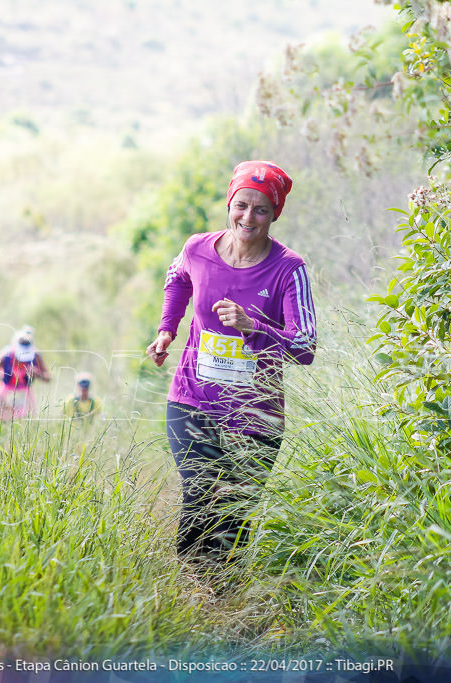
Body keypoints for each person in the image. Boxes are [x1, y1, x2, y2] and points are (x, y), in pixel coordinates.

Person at [146, 160, 316, 565]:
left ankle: (224, 596)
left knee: (234, 514)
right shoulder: (197, 248)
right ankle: (190, 586)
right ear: (229, 203)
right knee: (200, 492)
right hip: (193, 400)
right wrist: (167, 328)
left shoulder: (289, 269)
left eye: (261, 209)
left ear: (275, 213)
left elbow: (305, 347)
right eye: (241, 205)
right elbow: (177, 276)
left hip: (257, 415)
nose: (248, 217)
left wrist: (252, 326)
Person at [0, 327, 50, 420]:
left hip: (26, 395)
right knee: (3, 424)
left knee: (26, 425)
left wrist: (38, 374)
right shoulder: (5, 356)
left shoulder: (35, 355)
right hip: (5, 395)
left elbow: (48, 378)